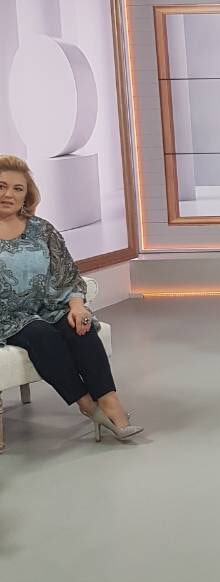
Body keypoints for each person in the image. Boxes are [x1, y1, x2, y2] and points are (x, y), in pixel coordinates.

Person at [0, 156, 142, 442]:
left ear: (27, 195)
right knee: (41, 334)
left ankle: (110, 404)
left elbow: (67, 274)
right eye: (1, 186)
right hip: (7, 317)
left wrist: (78, 306)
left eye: (17, 188)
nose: (8, 194)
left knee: (80, 326)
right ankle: (87, 405)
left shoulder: (42, 229)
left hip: (47, 307)